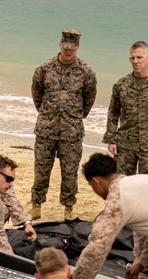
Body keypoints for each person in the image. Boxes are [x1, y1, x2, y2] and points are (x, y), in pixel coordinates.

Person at [29, 28, 97, 222]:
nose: (68, 51)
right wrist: (47, 113)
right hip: (46, 129)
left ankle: (68, 207)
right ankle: (36, 205)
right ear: (60, 45)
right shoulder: (44, 69)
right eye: (66, 47)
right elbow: (37, 94)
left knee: (70, 172)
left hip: (72, 131)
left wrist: (75, 116)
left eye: (72, 48)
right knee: (41, 169)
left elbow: (89, 98)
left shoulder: (86, 72)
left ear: (77, 48)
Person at [103, 41, 148, 176]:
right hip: (125, 145)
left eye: (139, 57)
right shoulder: (121, 85)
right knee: (122, 186)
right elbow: (113, 113)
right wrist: (111, 140)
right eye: (132, 58)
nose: (135, 61)